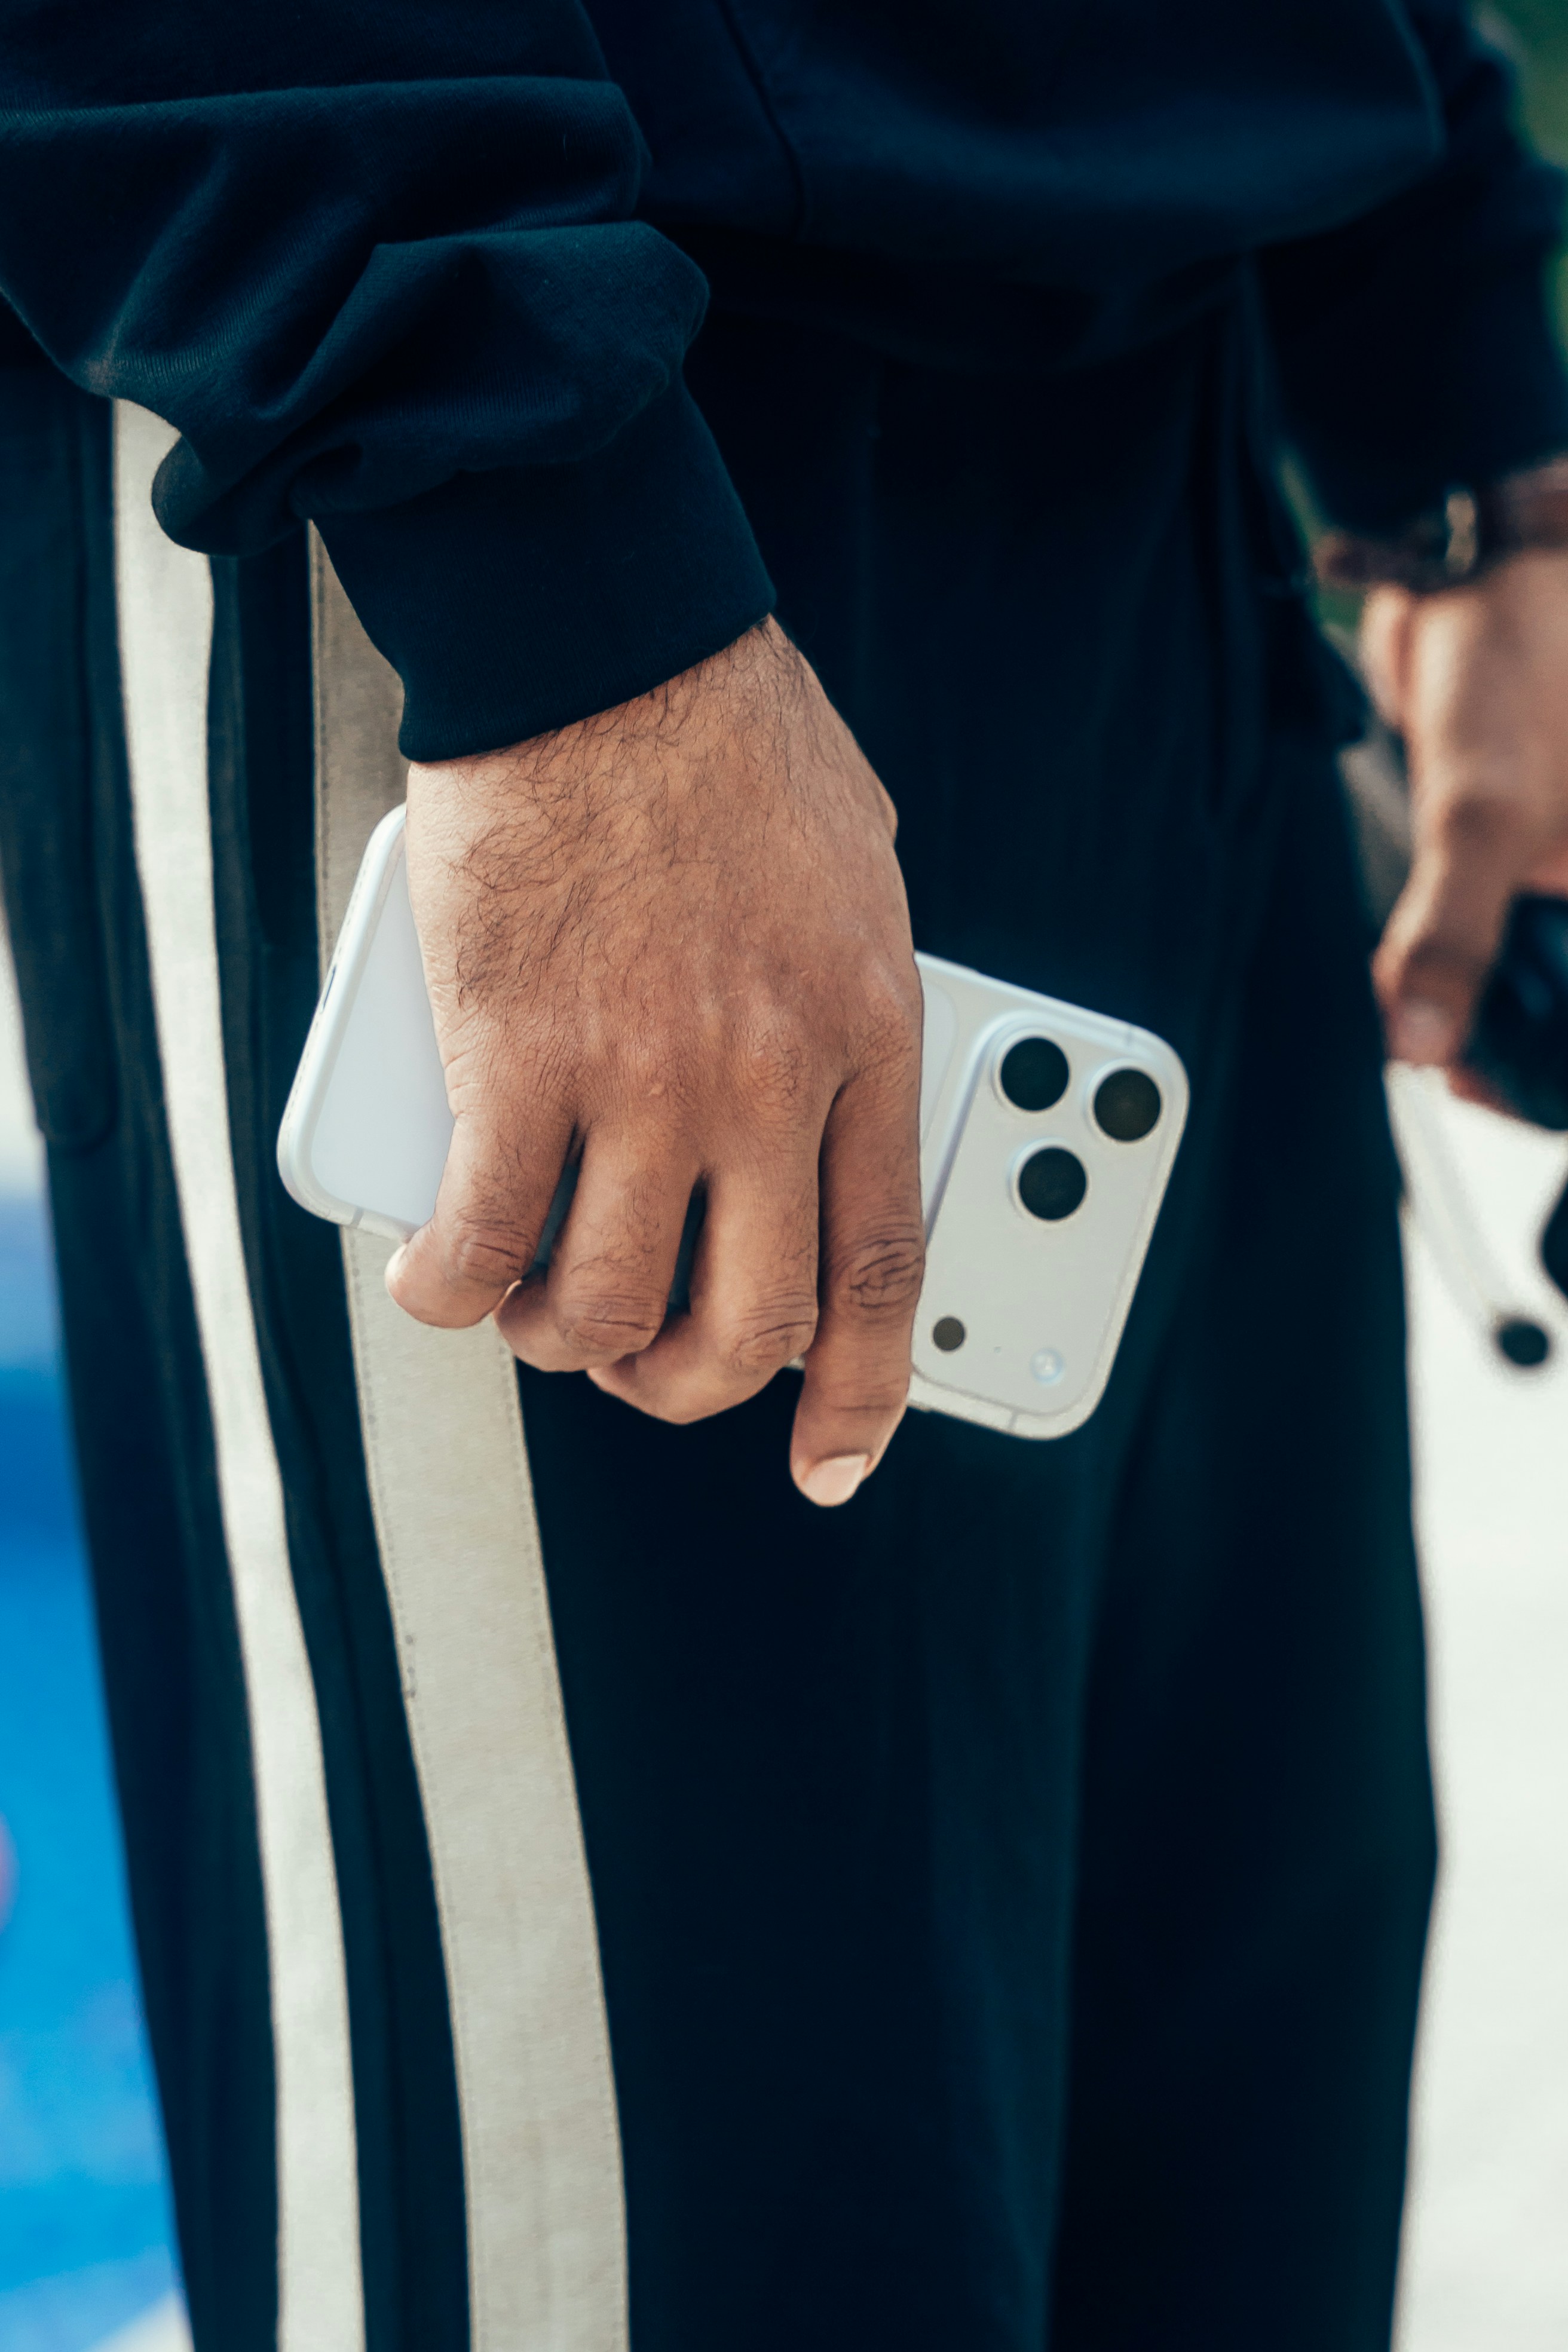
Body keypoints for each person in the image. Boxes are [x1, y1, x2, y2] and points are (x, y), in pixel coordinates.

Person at [1, 4, 1566, 2346]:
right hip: (528, 497)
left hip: (1173, 404)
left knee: (1228, 2224)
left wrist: (1456, 402)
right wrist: (528, 528)